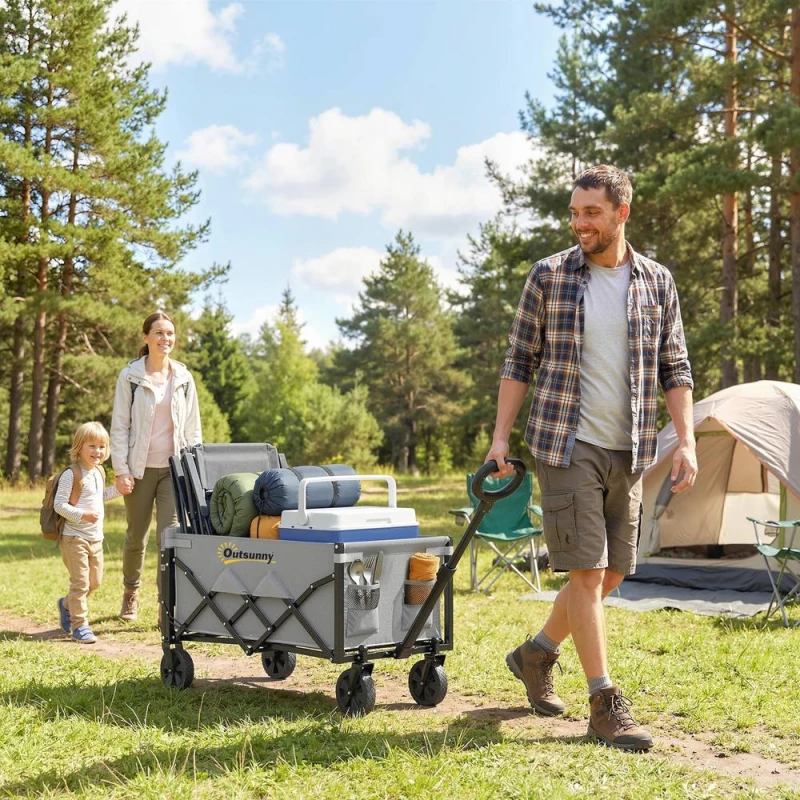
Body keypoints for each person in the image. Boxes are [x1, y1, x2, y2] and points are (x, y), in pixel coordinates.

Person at [487, 164, 697, 752]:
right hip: (564, 441)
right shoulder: (549, 275)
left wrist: (686, 440)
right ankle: (604, 704)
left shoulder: (657, 282)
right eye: (574, 212)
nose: (579, 223)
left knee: (613, 572)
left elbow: (675, 367)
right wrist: (501, 438)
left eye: (592, 213)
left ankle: (536, 653)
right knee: (585, 570)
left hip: (630, 446)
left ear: (621, 213)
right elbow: (519, 360)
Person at [110, 312, 202, 622]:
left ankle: (167, 604)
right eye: (159, 333)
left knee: (169, 539)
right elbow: (120, 426)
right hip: (138, 471)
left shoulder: (184, 378)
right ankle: (130, 592)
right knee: (136, 536)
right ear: (146, 337)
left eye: (170, 333)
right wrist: (121, 470)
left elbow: (193, 429)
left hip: (173, 471)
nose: (166, 338)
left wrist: (193, 468)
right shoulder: (130, 377)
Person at [55, 422, 121, 643]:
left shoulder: (98, 472)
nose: (97, 451)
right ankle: (79, 626)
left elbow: (98, 497)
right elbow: (59, 505)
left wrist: (118, 490)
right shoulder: (71, 474)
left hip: (95, 538)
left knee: (95, 582)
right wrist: (82, 515)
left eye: (102, 447)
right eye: (92, 446)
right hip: (74, 537)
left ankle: (66, 604)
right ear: (79, 447)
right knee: (81, 584)